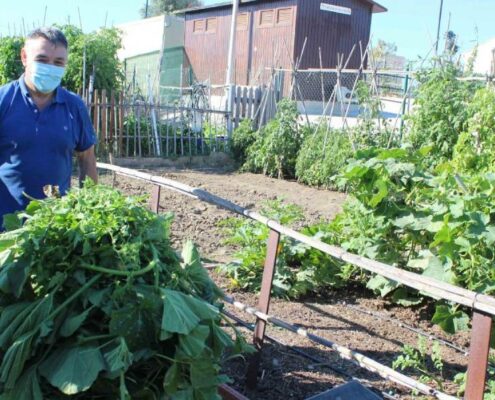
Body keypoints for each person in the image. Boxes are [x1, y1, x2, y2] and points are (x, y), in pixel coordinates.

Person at [0, 27, 97, 229]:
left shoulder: (74, 106)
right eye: (42, 60)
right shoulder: (4, 101)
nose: (50, 67)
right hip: (5, 230)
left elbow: (87, 159)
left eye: (58, 62)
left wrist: (90, 209)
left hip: (55, 228)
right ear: (25, 57)